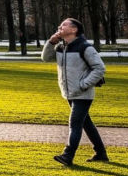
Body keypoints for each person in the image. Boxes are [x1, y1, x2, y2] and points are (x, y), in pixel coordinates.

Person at [42, 17, 107, 166]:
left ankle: (67, 155)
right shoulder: (60, 47)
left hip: (83, 94)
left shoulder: (85, 47)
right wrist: (51, 42)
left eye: (64, 25)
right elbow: (45, 58)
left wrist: (84, 84)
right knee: (86, 123)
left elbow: (100, 68)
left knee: (75, 123)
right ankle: (101, 153)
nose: (60, 26)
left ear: (74, 30)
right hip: (69, 93)